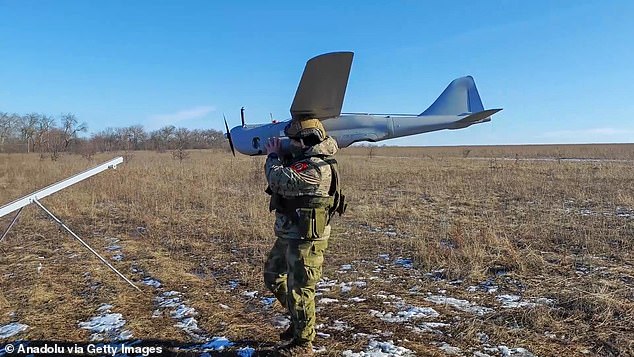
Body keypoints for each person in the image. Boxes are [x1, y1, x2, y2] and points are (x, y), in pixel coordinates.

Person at [263, 118, 345, 356]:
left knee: (300, 289)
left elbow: (279, 180)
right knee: (272, 275)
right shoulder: (308, 159)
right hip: (292, 232)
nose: (290, 144)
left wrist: (273, 155)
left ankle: (303, 344)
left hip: (306, 239)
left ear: (304, 142)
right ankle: (300, 323)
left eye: (293, 140)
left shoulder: (317, 167)